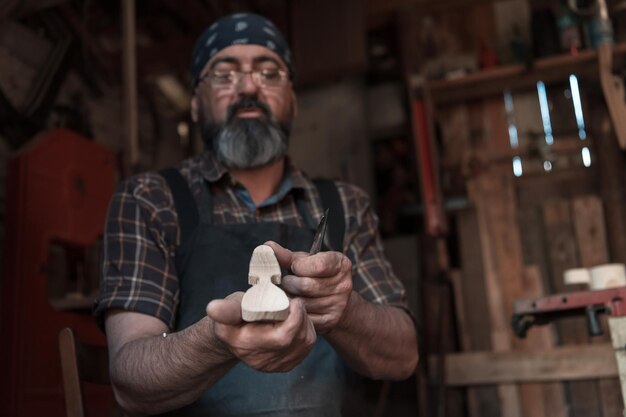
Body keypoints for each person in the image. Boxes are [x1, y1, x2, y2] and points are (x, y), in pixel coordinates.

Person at [94, 12, 417, 417]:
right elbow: (129, 381)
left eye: (269, 73)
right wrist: (216, 339)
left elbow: (403, 357)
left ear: (294, 101)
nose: (249, 86)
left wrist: (343, 310)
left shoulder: (343, 204)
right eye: (224, 75)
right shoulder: (149, 199)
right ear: (195, 104)